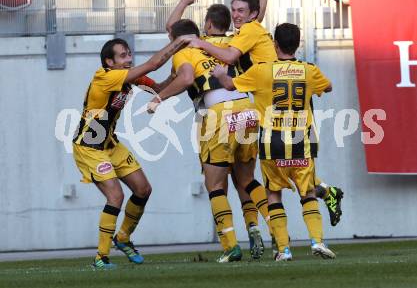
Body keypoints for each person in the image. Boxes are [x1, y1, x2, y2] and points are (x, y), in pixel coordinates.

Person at [148, 19, 271, 263]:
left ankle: (230, 245)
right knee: (246, 180)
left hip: (217, 116)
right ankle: (275, 234)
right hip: (248, 110)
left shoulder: (184, 51)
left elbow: (185, 79)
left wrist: (157, 99)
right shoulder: (226, 44)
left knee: (215, 184)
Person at [212, 23, 336, 260]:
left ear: (274, 44)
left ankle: (283, 249)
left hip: (272, 143)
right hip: (301, 141)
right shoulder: (309, 70)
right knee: (308, 192)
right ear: (298, 44)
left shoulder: (261, 71)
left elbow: (230, 85)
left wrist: (220, 74)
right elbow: (328, 87)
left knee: (274, 194)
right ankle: (317, 241)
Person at [72, 36, 190, 269]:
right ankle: (101, 257)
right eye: (123, 56)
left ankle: (123, 237)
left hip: (110, 145)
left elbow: (159, 87)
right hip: (89, 149)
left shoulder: (129, 79)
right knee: (116, 197)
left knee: (143, 189)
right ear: (109, 61)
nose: (129, 59)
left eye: (129, 54)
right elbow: (153, 63)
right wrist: (180, 41)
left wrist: (178, 72)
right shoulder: (105, 77)